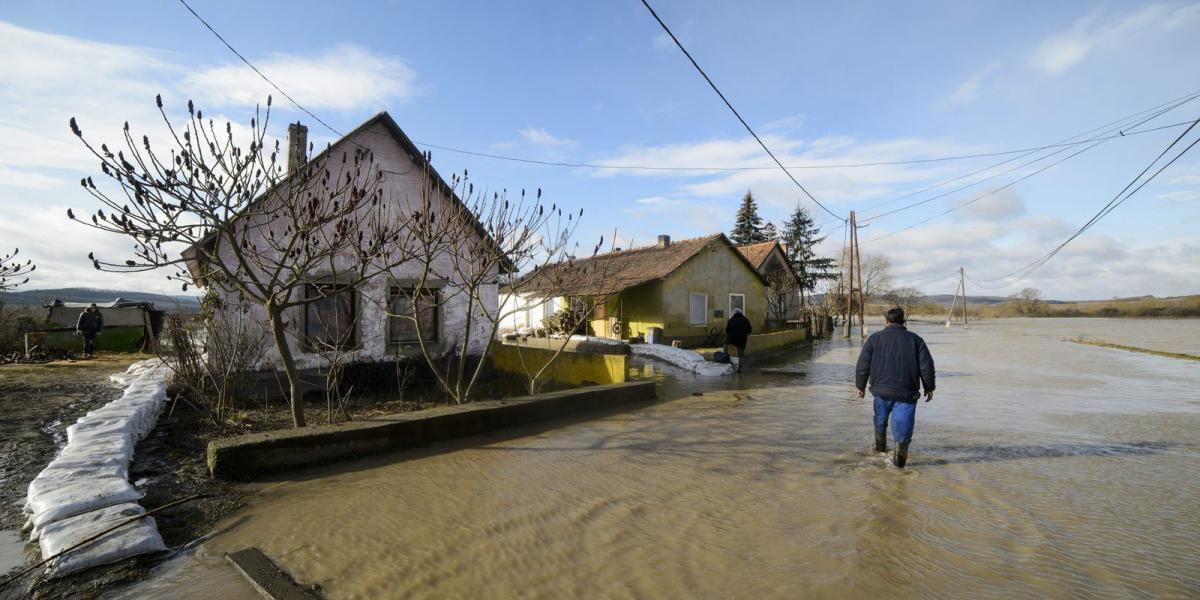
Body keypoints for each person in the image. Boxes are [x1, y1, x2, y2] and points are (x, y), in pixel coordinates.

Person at [855, 307, 935, 468]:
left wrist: (860, 386)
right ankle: (899, 472)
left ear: (886, 321)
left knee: (880, 422)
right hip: (907, 393)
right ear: (903, 321)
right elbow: (926, 366)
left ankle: (880, 452)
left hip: (881, 392)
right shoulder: (916, 340)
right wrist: (929, 387)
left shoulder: (874, 339)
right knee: (902, 431)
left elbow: (863, 364)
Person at [724, 308, 752, 373]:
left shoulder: (731, 320)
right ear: (741, 313)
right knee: (741, 355)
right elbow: (750, 330)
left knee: (725, 341)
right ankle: (739, 369)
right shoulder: (746, 320)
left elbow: (727, 331)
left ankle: (725, 354)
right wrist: (744, 334)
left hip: (732, 339)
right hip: (742, 340)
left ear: (734, 313)